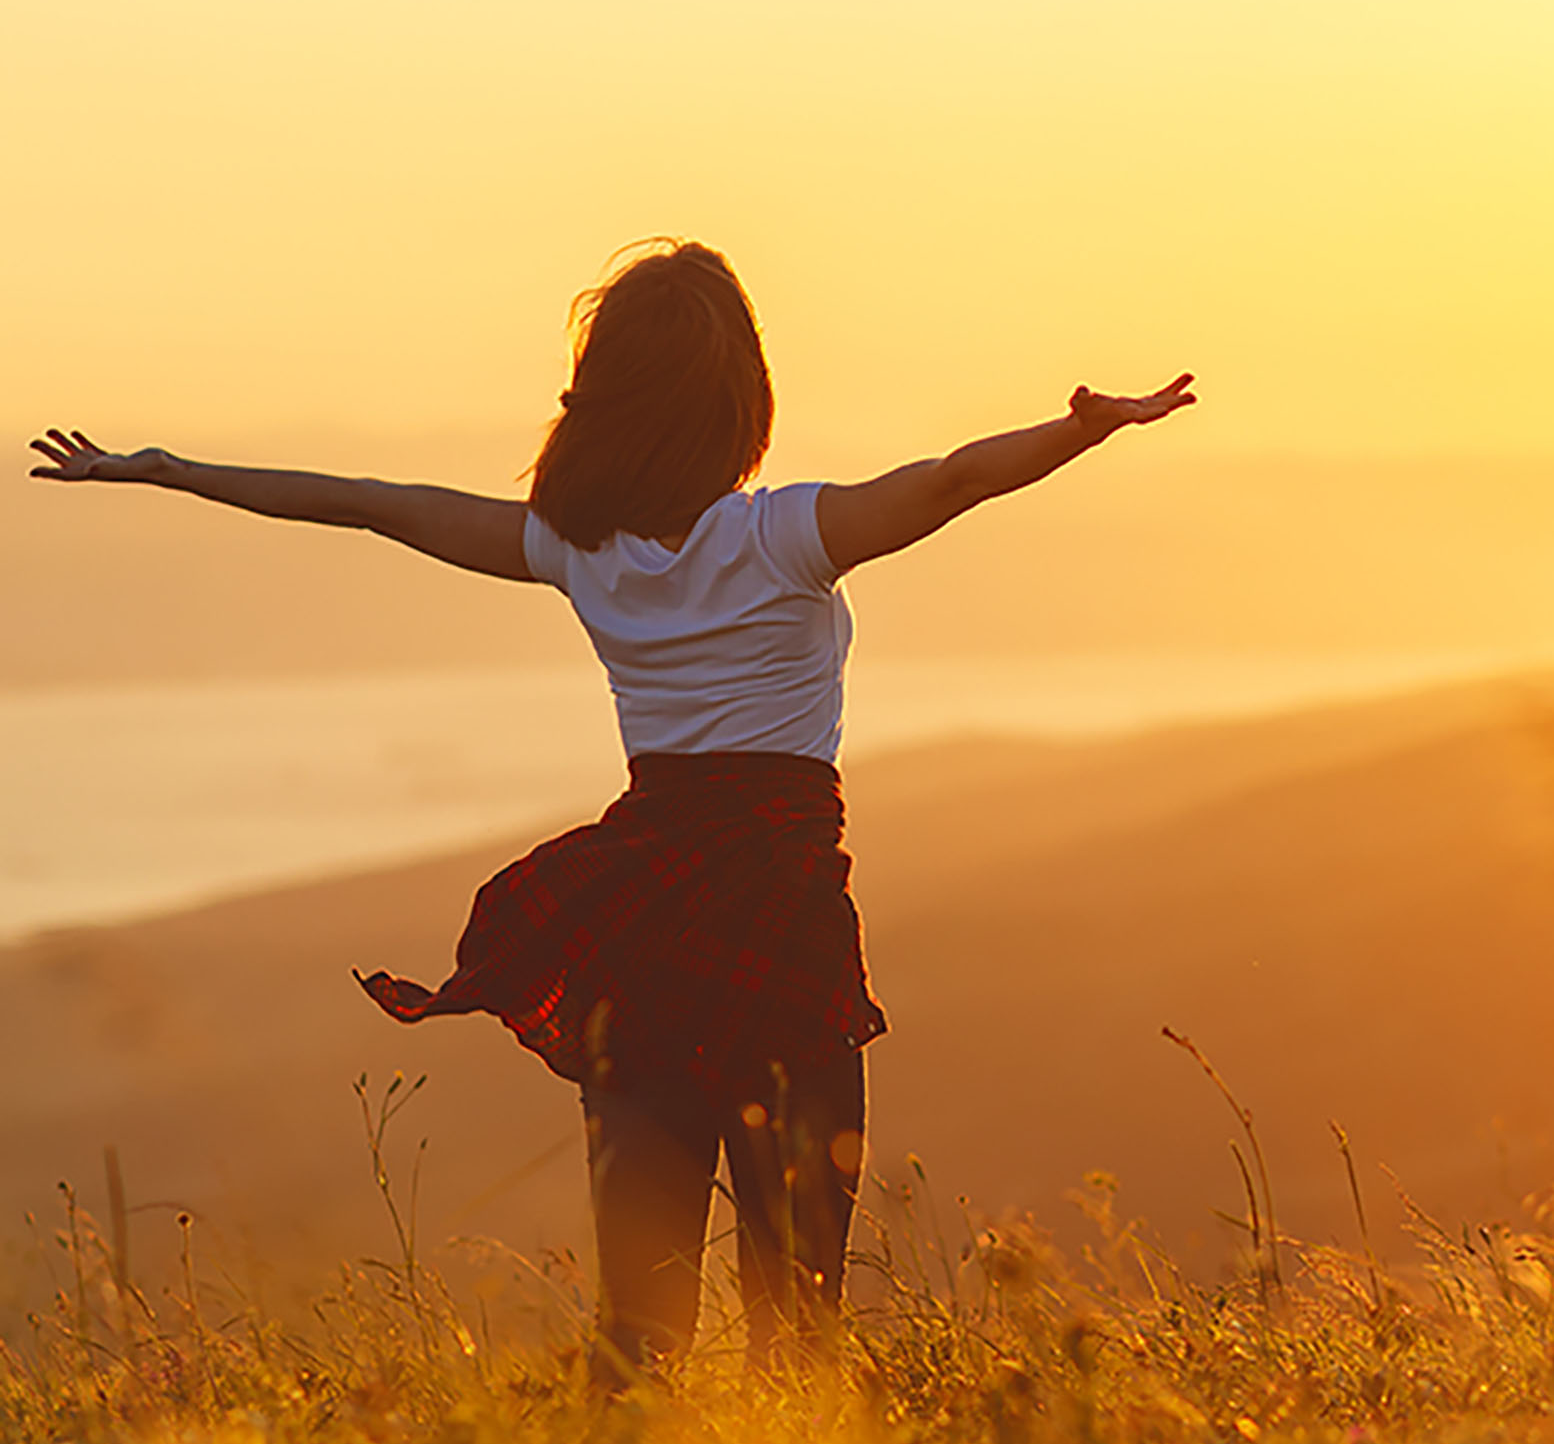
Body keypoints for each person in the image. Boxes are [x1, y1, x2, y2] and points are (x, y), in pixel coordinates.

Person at [30, 239, 1195, 1384]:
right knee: (800, 1322)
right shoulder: (785, 537)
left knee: (641, 1329)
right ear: (740, 401)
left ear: (606, 402)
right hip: (781, 930)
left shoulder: (574, 549)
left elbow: (369, 503)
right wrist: (1082, 432)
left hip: (640, 930)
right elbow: (950, 478)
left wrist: (169, 468)